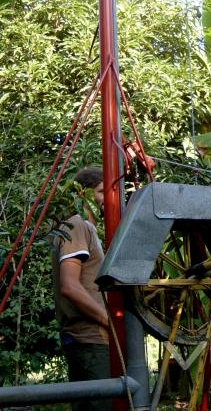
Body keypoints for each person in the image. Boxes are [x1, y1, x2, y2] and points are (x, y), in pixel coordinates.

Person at [52, 166, 111, 411]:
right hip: (90, 340)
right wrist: (109, 321)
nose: (108, 197)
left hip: (95, 341)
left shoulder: (90, 229)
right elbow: (69, 286)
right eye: (101, 191)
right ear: (83, 195)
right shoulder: (76, 224)